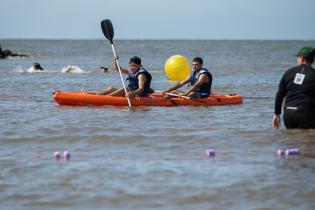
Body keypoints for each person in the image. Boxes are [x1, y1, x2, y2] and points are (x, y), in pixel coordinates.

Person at [272, 47, 315, 129]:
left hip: (288, 114)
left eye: (297, 57)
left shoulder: (289, 72)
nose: (297, 59)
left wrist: (276, 114)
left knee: (292, 139)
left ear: (302, 58)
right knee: (308, 140)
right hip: (306, 114)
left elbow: (279, 95)